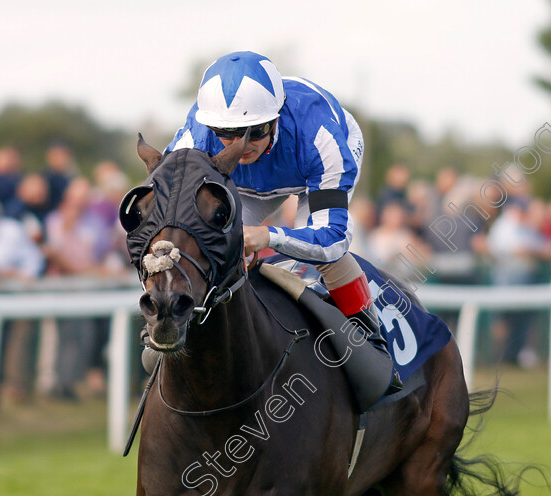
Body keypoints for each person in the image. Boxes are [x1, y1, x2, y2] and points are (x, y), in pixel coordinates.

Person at [165, 51, 401, 391]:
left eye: (254, 131)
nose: (239, 146)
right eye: (225, 133)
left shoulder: (321, 136)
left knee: (324, 256)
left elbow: (332, 237)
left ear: (275, 118)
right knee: (209, 241)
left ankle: (371, 342)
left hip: (308, 169)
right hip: (247, 183)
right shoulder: (196, 135)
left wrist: (270, 237)